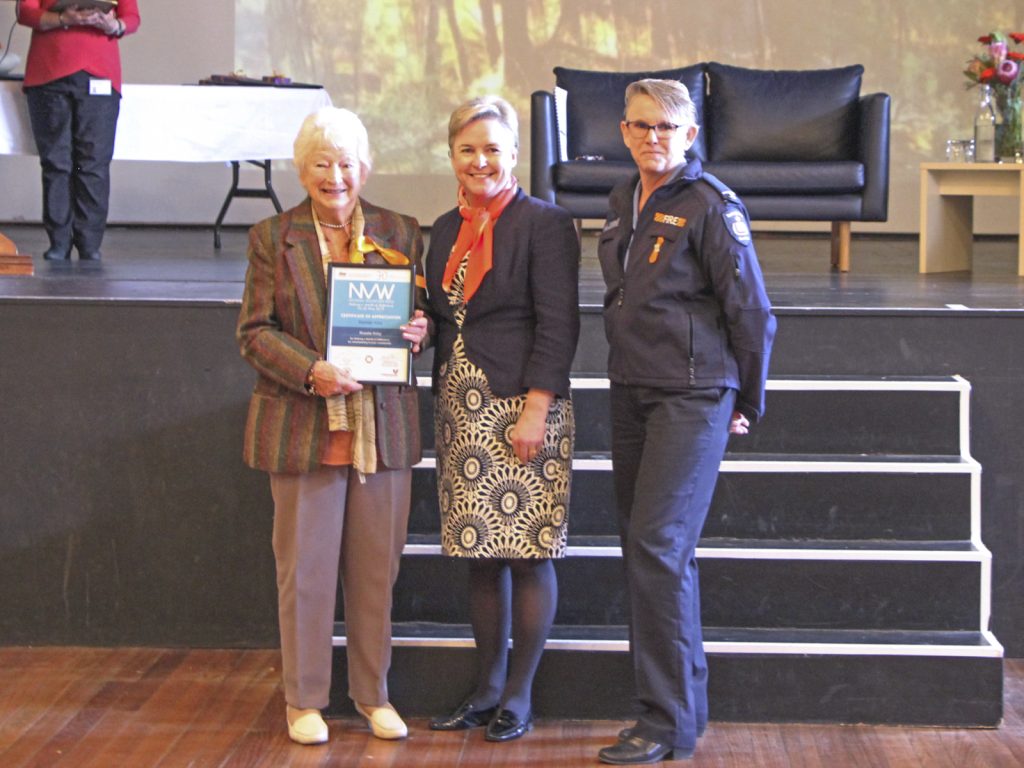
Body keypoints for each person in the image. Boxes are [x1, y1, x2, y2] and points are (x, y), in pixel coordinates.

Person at [595, 79, 775, 765]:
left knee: (658, 547)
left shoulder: (709, 204)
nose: (653, 138)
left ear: (690, 136)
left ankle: (662, 722)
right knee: (652, 552)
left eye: (667, 128)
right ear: (623, 132)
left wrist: (745, 399)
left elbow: (751, 310)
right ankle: (682, 712)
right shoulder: (622, 199)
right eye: (641, 126)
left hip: (692, 395)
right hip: (632, 390)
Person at [236, 106, 429, 746]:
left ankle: (373, 696)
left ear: (364, 168)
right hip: (304, 430)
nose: (335, 176)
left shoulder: (402, 230)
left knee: (376, 577)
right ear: (302, 170)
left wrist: (419, 330)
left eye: (346, 163)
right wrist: (310, 370)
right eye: (322, 163)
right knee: (306, 576)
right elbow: (254, 333)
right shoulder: (272, 237)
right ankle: (305, 700)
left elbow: (419, 315)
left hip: (382, 431)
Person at [424, 96, 580, 742]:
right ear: (451, 155)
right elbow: (443, 315)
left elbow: (559, 324)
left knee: (527, 554)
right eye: (467, 149)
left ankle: (519, 695)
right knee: (480, 557)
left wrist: (537, 409)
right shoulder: (442, 229)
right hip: (459, 409)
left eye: (493, 148)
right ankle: (486, 689)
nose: (480, 160)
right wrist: (417, 328)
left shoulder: (546, 224)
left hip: (523, 406)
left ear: (514, 153)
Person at [16, 0, 140, 261]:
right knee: (56, 162)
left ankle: (89, 242)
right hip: (48, 74)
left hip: (100, 74)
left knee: (94, 162)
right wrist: (63, 19)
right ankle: (59, 241)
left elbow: (131, 17)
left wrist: (113, 25)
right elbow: (25, 12)